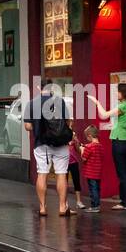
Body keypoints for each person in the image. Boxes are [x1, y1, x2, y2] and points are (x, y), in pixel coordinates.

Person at [24, 80, 74, 217]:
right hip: (61, 144)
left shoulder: (32, 103)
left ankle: (42, 208)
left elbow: (27, 126)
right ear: (52, 88)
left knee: (42, 174)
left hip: (42, 145)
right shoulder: (60, 102)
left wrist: (39, 127)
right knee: (62, 174)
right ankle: (63, 207)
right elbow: (68, 122)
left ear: (39, 87)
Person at [92, 82, 126, 210]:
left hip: (120, 141)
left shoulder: (123, 106)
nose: (116, 93)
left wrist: (96, 102)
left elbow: (104, 115)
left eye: (118, 91)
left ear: (123, 94)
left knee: (122, 173)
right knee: (125, 172)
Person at [80, 126, 103, 212]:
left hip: (90, 172)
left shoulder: (89, 147)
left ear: (89, 136)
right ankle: (97, 205)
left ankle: (94, 206)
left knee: (92, 189)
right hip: (98, 172)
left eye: (87, 137)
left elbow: (84, 158)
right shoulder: (100, 146)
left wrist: (82, 149)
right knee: (97, 189)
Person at [67, 131, 86, 210]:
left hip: (74, 162)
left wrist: (76, 142)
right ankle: (65, 202)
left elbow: (78, 151)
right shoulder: (62, 137)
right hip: (64, 163)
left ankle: (79, 201)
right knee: (64, 182)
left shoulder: (73, 136)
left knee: (76, 181)